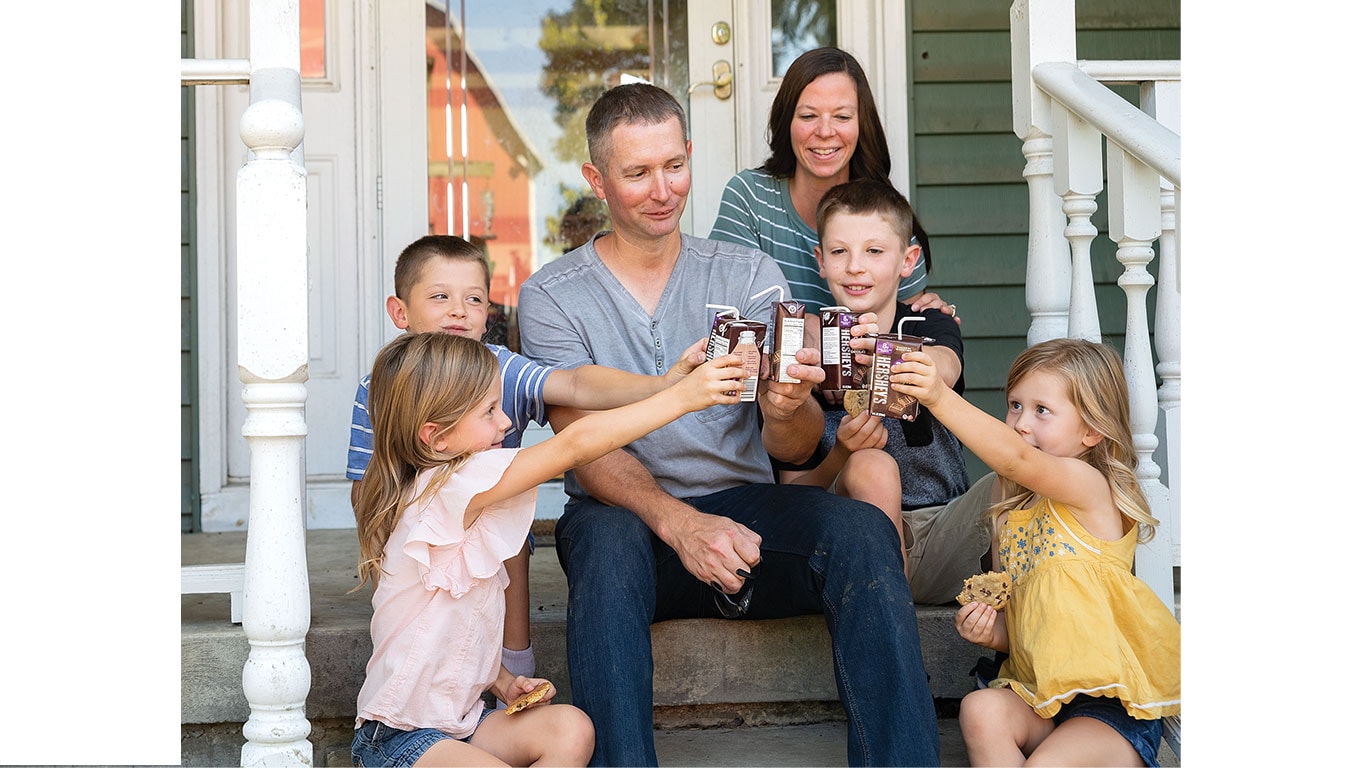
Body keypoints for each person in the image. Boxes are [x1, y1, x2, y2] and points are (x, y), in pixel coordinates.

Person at [517, 82, 939, 767]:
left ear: (689, 154)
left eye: (674, 166)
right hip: (632, 520)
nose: (662, 190)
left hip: (749, 512)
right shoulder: (552, 296)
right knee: (603, 541)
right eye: (636, 173)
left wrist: (785, 408)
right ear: (596, 179)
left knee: (862, 531)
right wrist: (681, 523)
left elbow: (797, 448)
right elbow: (584, 448)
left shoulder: (747, 272)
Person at [349, 331, 745, 767]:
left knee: (571, 729)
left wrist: (499, 681)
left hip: (464, 723)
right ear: (436, 437)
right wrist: (684, 398)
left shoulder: (463, 497)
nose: (505, 422)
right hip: (398, 738)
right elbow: (575, 444)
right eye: (488, 411)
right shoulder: (446, 489)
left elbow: (447, 625)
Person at [346, 234, 709, 703]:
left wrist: (659, 385)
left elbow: (575, 384)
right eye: (440, 297)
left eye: (473, 299)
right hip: (416, 539)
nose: (458, 311)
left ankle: (514, 662)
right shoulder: (382, 384)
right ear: (401, 312)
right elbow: (367, 493)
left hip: (493, 529)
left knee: (508, 523)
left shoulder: (500, 367)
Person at [897, 338, 1181, 767]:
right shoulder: (1006, 510)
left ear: (1091, 431)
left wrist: (938, 396)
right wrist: (990, 632)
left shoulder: (1088, 488)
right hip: (1035, 696)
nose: (1021, 423)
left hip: (1107, 706)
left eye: (1041, 410)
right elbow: (1024, 627)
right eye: (1015, 405)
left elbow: (1016, 461)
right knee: (980, 709)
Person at [777, 179, 972, 583]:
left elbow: (945, 368)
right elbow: (793, 487)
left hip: (940, 526)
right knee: (872, 464)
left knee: (1019, 479)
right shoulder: (810, 347)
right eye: (839, 251)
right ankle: (890, 604)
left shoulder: (926, 321)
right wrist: (843, 452)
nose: (854, 266)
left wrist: (884, 352)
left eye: (874, 251)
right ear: (820, 260)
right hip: (851, 538)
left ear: (908, 260)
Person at [709, 46, 957, 321]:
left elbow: (904, 327)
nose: (825, 132)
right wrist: (812, 329)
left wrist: (932, 318)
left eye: (842, 117)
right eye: (808, 116)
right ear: (786, 122)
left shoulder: (884, 214)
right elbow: (726, 311)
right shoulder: (749, 198)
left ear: (862, 124)